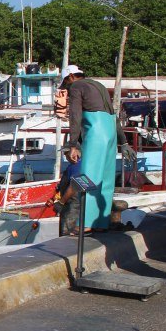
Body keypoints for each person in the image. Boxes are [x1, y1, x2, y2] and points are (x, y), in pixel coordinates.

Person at [61, 64, 133, 232]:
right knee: (106, 180)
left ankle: (85, 224)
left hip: (97, 131)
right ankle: (101, 223)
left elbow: (75, 115)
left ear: (71, 77)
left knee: (88, 176)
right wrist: (124, 142)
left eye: (66, 84)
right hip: (110, 131)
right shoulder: (98, 85)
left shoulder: (77, 86)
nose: (67, 88)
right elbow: (113, 116)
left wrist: (72, 144)